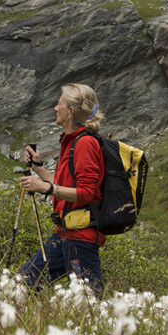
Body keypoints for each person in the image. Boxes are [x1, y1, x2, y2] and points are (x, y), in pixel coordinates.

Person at [19, 83, 106, 296]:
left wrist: (46, 188)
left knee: (88, 301)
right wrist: (39, 169)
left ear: (71, 111)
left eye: (59, 104)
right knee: (23, 283)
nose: (55, 109)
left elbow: (86, 192)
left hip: (81, 238)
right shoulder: (71, 141)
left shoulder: (85, 143)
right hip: (63, 234)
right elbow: (64, 186)